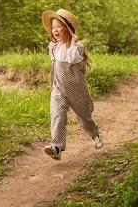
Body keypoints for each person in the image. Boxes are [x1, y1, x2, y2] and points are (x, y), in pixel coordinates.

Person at [41, 8, 103, 159]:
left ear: (67, 29)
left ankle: (94, 134)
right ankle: (57, 146)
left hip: (76, 89)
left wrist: (73, 44)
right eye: (53, 27)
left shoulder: (77, 47)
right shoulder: (54, 46)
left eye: (58, 27)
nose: (55, 30)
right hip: (59, 88)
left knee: (84, 116)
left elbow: (71, 60)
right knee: (57, 115)